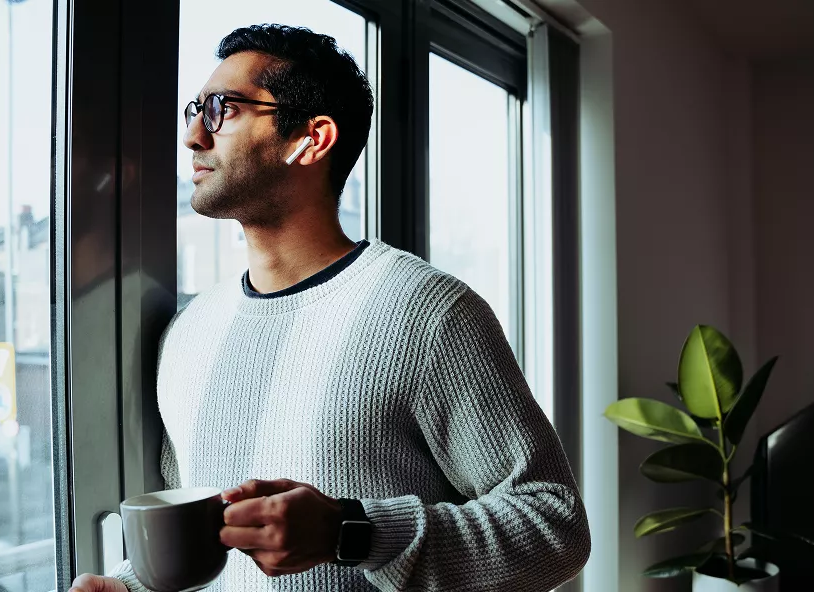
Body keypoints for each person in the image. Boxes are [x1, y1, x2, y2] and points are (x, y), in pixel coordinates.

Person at [69, 24, 589, 592]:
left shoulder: (427, 313)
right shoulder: (188, 334)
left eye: (223, 108)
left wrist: (351, 532)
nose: (194, 135)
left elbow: (555, 526)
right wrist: (129, 585)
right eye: (195, 109)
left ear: (311, 140)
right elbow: (211, 541)